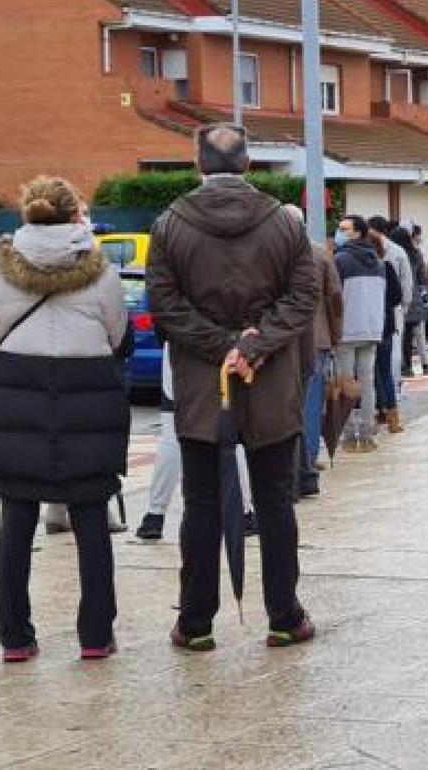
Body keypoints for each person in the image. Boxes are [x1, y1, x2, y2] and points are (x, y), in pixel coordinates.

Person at [147, 123, 318, 652]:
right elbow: (304, 294)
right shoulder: (285, 223)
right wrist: (254, 345)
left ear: (198, 164)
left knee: (200, 505)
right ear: (248, 164)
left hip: (203, 385)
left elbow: (165, 303)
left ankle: (196, 623)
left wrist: (221, 345)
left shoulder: (169, 225)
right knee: (275, 503)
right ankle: (283, 617)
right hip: (269, 383)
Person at [0, 176, 129, 662]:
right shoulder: (103, 273)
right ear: (75, 215)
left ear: (27, 214)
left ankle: (15, 636)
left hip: (16, 401)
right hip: (89, 401)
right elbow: (117, 337)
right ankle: (96, 635)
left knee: (17, 516)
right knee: (90, 517)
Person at [134, 344, 255, 540]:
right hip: (225, 347)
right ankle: (244, 512)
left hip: (180, 347)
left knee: (172, 435)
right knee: (231, 437)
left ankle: (155, 515)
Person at [283, 204, 343, 491]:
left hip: (280, 341)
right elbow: (335, 300)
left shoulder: (273, 255)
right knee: (310, 405)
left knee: (284, 404)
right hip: (316, 339)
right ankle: (306, 468)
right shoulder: (320, 254)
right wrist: (335, 337)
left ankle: (289, 467)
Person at [333, 214, 387, 453]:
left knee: (345, 382)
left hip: (347, 329)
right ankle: (366, 435)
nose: (340, 233)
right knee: (366, 383)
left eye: (344, 229)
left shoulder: (340, 259)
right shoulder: (378, 261)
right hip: (372, 328)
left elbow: (333, 297)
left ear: (357, 233)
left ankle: (347, 436)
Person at [369, 216, 409, 433]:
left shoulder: (360, 267)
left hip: (366, 326)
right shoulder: (386, 267)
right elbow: (396, 297)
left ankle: (373, 416)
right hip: (385, 323)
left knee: (368, 372)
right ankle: (393, 418)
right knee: (384, 371)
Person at [395, 225, 428, 378]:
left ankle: (406, 366)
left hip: (400, 298)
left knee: (404, 336)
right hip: (415, 298)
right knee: (420, 335)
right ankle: (425, 364)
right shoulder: (417, 254)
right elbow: (423, 278)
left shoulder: (394, 254)